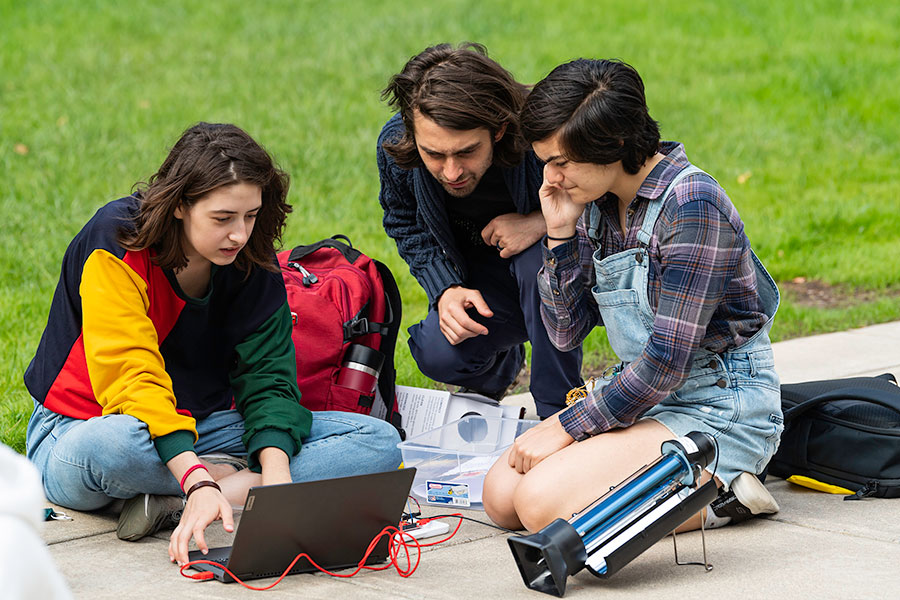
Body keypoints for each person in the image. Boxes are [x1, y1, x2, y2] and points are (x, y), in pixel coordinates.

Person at [24, 123, 402, 565]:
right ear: (181, 205)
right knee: (117, 442)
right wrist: (200, 479)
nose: (239, 234)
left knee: (379, 441)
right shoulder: (116, 242)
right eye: (222, 219)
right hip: (86, 427)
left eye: (251, 216)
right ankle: (214, 485)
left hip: (205, 427)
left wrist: (277, 479)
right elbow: (133, 381)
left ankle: (188, 498)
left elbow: (269, 381)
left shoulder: (249, 258)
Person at [483, 59, 783, 532]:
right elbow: (566, 334)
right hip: (644, 395)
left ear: (615, 144)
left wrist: (566, 425)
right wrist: (559, 235)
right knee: (501, 499)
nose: (551, 178)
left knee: (540, 507)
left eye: (561, 162)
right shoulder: (596, 204)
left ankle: (725, 496)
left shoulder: (693, 207)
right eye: (546, 162)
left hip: (719, 406)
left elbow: (667, 362)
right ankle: (681, 486)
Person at [377, 43, 583, 418]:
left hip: (561, 266)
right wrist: (446, 288)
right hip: (480, 271)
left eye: (467, 151)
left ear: (499, 129)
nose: (451, 172)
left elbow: (607, 199)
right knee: (438, 353)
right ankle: (500, 370)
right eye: (435, 155)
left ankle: (560, 412)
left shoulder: (543, 133)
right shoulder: (398, 146)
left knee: (535, 264)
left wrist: (539, 224)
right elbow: (402, 221)